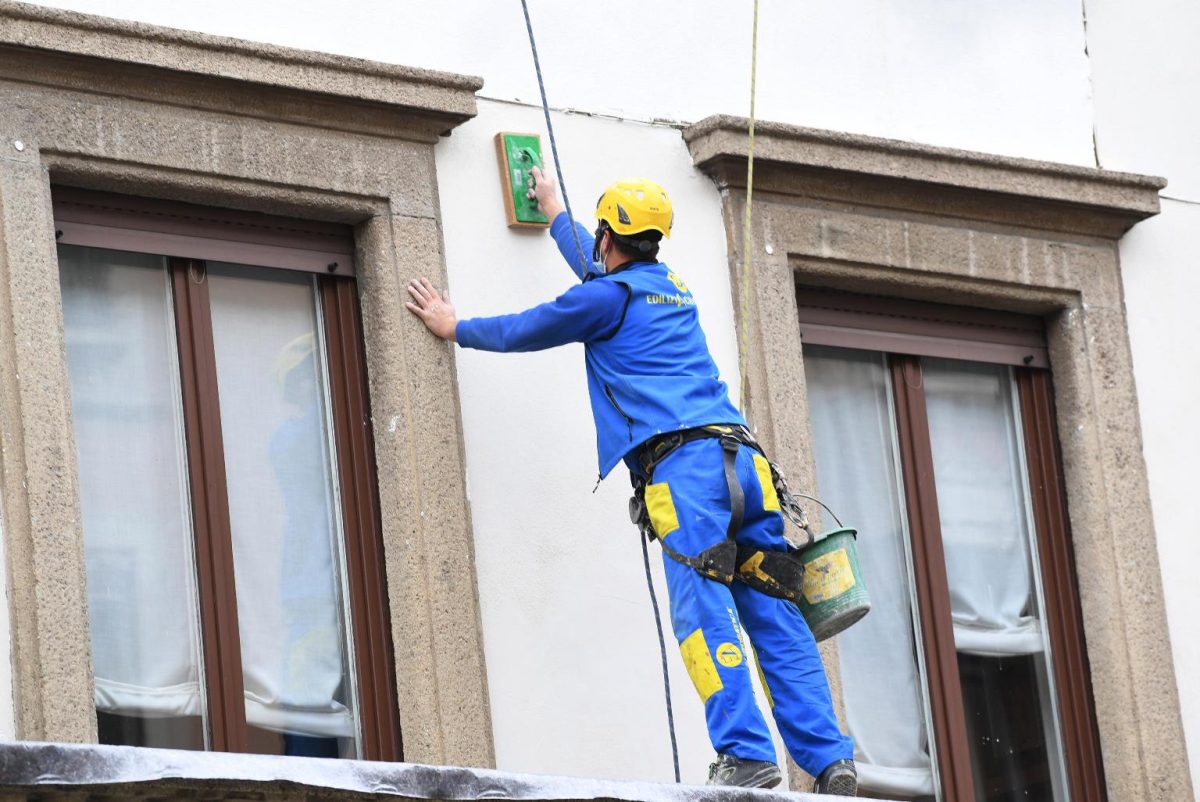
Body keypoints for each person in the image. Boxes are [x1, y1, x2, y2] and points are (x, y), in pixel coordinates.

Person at [404, 167, 857, 795]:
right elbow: (596, 277)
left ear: (609, 238)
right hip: (746, 466)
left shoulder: (604, 298)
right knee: (775, 610)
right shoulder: (668, 287)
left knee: (705, 610)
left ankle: (748, 753)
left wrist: (455, 327)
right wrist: (557, 211)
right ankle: (832, 760)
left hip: (686, 476)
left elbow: (527, 327)